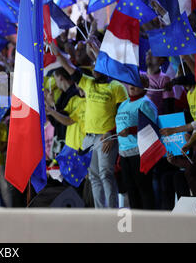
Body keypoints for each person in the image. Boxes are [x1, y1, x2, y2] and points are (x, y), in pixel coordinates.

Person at [52, 42, 128, 208]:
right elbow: (71, 68)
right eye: (94, 66)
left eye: (98, 66)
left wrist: (111, 133)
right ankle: (101, 212)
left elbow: (123, 115)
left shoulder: (117, 87)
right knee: (94, 177)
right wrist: (57, 52)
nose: (94, 69)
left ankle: (113, 212)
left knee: (106, 174)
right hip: (89, 138)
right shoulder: (89, 83)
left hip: (105, 137)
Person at [115, 74, 157, 209]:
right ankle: (136, 221)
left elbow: (151, 126)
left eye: (137, 83)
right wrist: (108, 133)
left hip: (139, 152)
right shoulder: (123, 104)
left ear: (145, 87)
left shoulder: (145, 103)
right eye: (131, 82)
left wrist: (131, 130)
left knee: (143, 188)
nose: (132, 86)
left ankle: (149, 221)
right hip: (124, 152)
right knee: (131, 189)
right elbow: (120, 124)